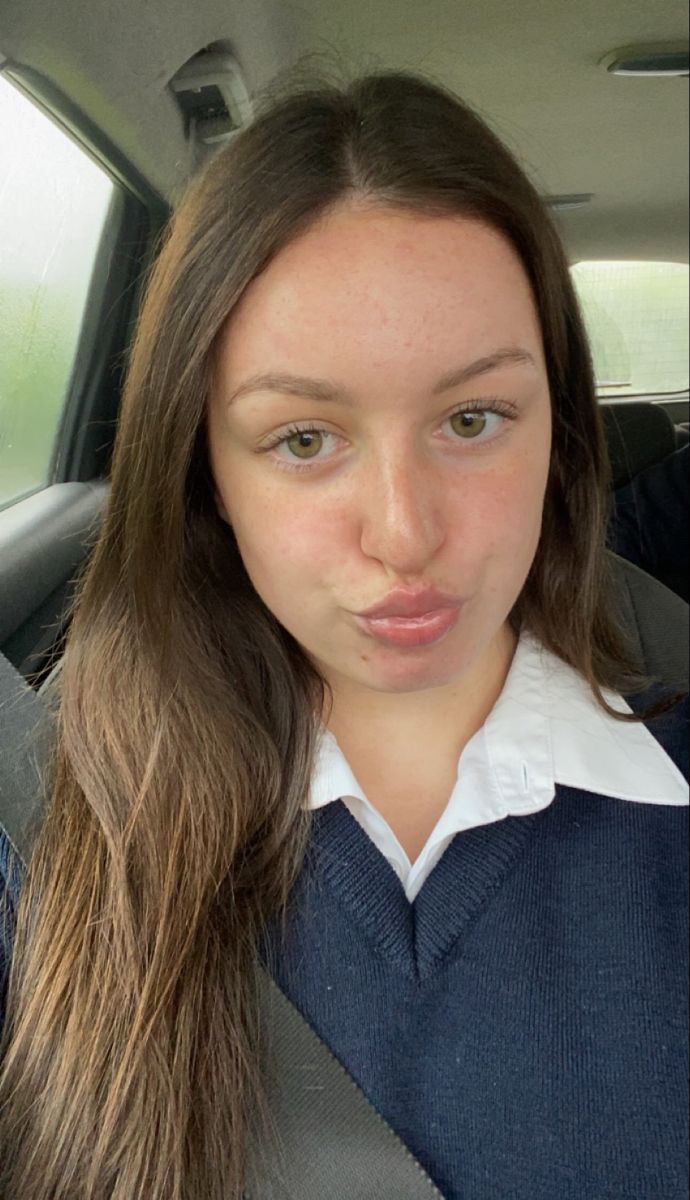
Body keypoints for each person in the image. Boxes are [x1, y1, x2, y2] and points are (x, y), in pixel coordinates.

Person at [0, 70, 687, 1200]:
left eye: (474, 420)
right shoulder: (48, 846)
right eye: (306, 438)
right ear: (204, 472)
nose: (405, 534)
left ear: (558, 434)